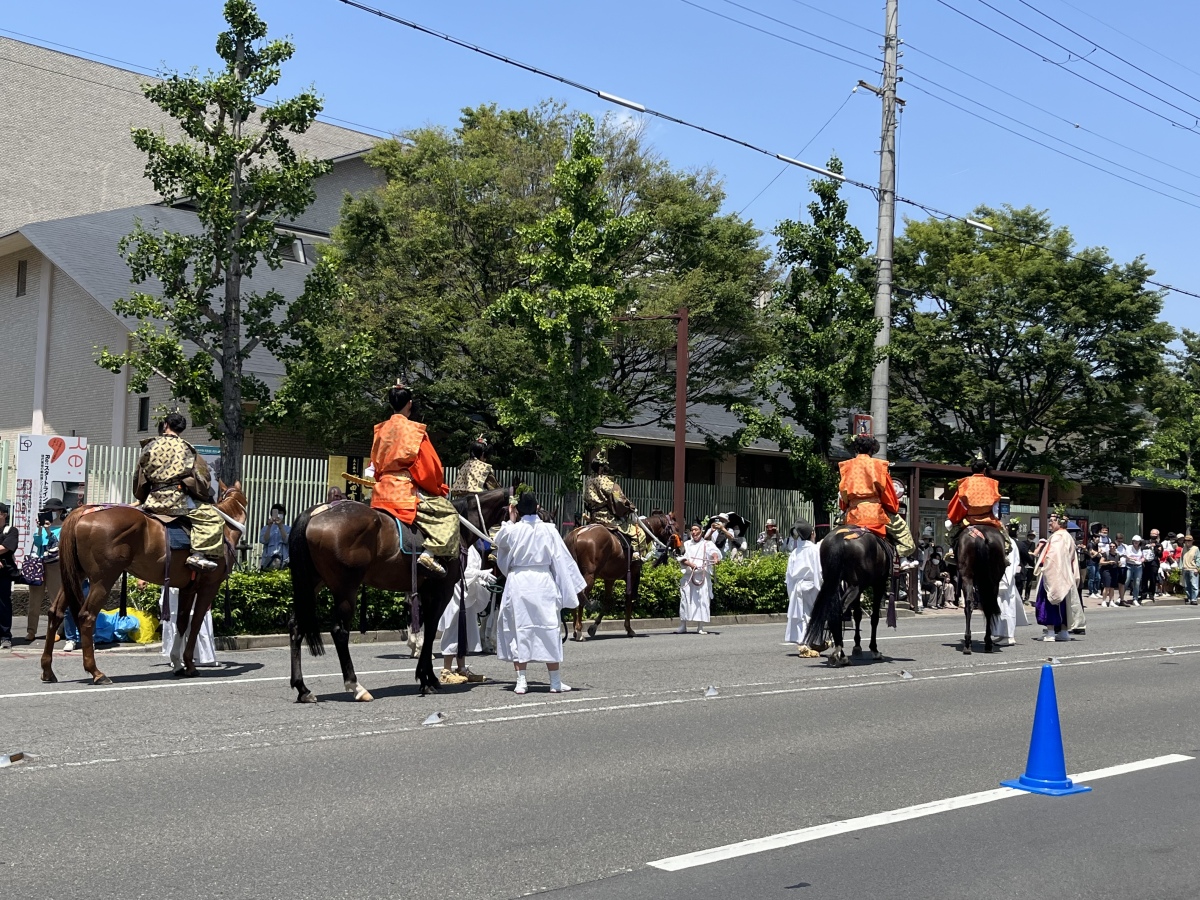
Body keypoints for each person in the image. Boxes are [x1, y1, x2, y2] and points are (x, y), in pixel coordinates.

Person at [494, 491, 585, 695]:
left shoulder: (512, 530)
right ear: (537, 507)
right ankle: (555, 681)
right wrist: (572, 587)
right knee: (549, 628)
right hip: (543, 581)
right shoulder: (549, 530)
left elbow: (500, 544)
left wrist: (510, 519)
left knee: (518, 629)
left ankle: (521, 681)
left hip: (519, 582)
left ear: (516, 510)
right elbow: (561, 560)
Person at [369, 381, 460, 574]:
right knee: (450, 514)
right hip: (403, 493)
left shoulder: (380, 430)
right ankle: (429, 552)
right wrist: (437, 488)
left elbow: (375, 464)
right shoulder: (415, 431)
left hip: (380, 492)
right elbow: (427, 468)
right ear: (409, 403)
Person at [133, 412, 224, 571]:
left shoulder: (150, 445)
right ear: (181, 429)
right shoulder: (187, 448)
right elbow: (202, 479)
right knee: (213, 518)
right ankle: (198, 554)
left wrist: (141, 497)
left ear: (166, 425)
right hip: (177, 501)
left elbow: (139, 476)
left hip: (152, 500)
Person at [837, 433, 918, 569]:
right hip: (875, 513)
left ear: (857, 449)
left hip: (853, 513)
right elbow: (888, 493)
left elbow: (843, 492)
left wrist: (845, 506)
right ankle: (903, 559)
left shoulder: (847, 466)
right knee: (902, 531)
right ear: (872, 449)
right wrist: (893, 508)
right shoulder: (879, 466)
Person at [437, 538, 495, 684]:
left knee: (466, 630)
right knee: (453, 629)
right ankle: (446, 670)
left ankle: (461, 668)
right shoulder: (456, 544)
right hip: (457, 591)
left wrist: (479, 578)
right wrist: (478, 574)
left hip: (468, 591)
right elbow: (459, 569)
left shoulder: (471, 546)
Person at [582, 453, 645, 560]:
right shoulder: (608, 482)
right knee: (639, 533)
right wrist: (629, 507)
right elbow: (619, 499)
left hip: (593, 518)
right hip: (608, 519)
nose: (608, 469)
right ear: (601, 468)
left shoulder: (588, 482)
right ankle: (636, 555)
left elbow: (586, 501)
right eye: (606, 467)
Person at [946, 456, 1011, 555]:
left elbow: (959, 504)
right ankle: (1005, 556)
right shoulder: (992, 483)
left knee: (950, 537)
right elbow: (995, 506)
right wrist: (996, 517)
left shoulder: (964, 483)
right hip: (989, 519)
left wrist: (954, 519)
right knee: (1007, 541)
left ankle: (952, 552)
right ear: (984, 469)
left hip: (969, 520)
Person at [25, 498, 67, 643]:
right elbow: (37, 543)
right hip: (39, 563)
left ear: (60, 511)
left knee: (55, 598)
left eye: (53, 510)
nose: (50, 513)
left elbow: (56, 545)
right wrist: (40, 528)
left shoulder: (64, 527)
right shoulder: (42, 527)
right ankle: (31, 631)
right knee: (34, 599)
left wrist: (49, 530)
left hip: (55, 564)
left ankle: (56, 630)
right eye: (47, 511)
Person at [1034, 509, 1077, 642]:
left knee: (1049, 601)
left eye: (1052, 521)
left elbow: (1053, 557)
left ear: (1060, 523)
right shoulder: (1067, 536)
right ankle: (1063, 631)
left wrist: (1046, 569)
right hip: (1066, 575)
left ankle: (1051, 632)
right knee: (1063, 604)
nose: (1050, 524)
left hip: (1054, 573)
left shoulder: (1058, 537)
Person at [785, 521, 823, 656]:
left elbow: (789, 576)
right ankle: (808, 643)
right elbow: (819, 570)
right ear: (812, 534)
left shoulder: (795, 552)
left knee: (802, 615)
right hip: (812, 585)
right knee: (813, 614)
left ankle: (806, 641)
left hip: (797, 586)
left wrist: (791, 592)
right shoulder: (815, 550)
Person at [677, 522, 721, 634]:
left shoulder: (707, 543)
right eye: (692, 530)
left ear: (701, 531)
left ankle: (700, 627)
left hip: (702, 576)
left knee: (702, 600)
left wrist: (715, 558)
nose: (694, 532)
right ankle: (683, 625)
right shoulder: (686, 544)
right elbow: (680, 557)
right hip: (688, 575)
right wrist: (690, 564)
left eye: (696, 529)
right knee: (685, 599)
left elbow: (714, 552)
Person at [0, 503, 18, 650]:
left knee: (3, 604)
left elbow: (6, 547)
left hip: (4, 574)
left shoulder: (11, 531)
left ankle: (5, 636)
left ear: (4, 514)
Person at [258, 503, 290, 570]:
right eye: (276, 512)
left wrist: (280, 526)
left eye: (280, 512)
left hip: (284, 560)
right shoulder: (265, 528)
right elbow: (263, 540)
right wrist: (269, 527)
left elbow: (287, 540)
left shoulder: (288, 529)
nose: (278, 514)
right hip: (268, 560)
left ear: (284, 515)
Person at [1124, 535, 1146, 606]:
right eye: (1135, 541)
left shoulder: (1141, 549)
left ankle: (1135, 598)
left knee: (1137, 582)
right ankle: (1121, 597)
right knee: (1126, 581)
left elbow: (1144, 557)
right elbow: (1127, 556)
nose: (1136, 543)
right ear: (1132, 541)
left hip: (1138, 566)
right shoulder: (1129, 547)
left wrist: (1142, 559)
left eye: (1138, 541)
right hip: (1129, 566)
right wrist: (1134, 559)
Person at [1180, 534, 1199, 605]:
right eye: (1186, 541)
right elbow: (1181, 559)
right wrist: (1181, 568)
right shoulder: (1183, 548)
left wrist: (1197, 568)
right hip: (1185, 568)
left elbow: (1198, 559)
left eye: (1189, 541)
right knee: (1187, 585)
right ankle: (1189, 597)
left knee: (1194, 585)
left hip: (1193, 568)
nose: (1187, 542)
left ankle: (1194, 599)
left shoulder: (1196, 548)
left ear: (1192, 541)